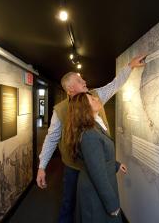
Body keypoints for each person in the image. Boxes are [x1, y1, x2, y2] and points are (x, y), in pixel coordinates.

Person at [37, 54, 146, 223]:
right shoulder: (60, 110)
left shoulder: (95, 95)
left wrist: (130, 66)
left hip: (95, 166)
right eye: (80, 81)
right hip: (75, 167)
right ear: (70, 89)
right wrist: (42, 166)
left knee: (90, 207)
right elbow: (51, 139)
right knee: (69, 205)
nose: (85, 82)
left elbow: (114, 84)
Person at [63, 92, 122, 223]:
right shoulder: (90, 135)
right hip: (95, 193)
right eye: (92, 99)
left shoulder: (94, 126)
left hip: (94, 187)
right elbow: (98, 175)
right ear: (85, 108)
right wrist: (112, 204)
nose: (97, 99)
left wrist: (116, 165)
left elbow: (99, 156)